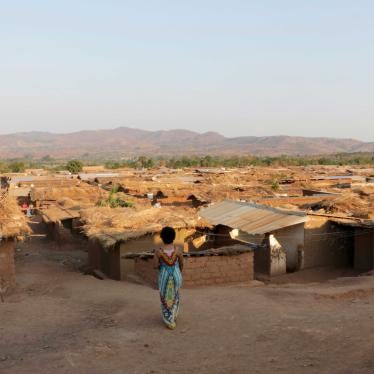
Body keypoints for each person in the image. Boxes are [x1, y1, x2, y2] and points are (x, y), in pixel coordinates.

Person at [153, 226, 184, 330]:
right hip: (176, 276)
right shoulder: (178, 250)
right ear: (174, 237)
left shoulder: (158, 252)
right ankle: (174, 314)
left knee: (165, 298)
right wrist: (178, 273)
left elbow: (155, 266)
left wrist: (161, 266)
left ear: (161, 238)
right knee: (175, 294)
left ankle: (169, 320)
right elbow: (181, 264)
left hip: (164, 277)